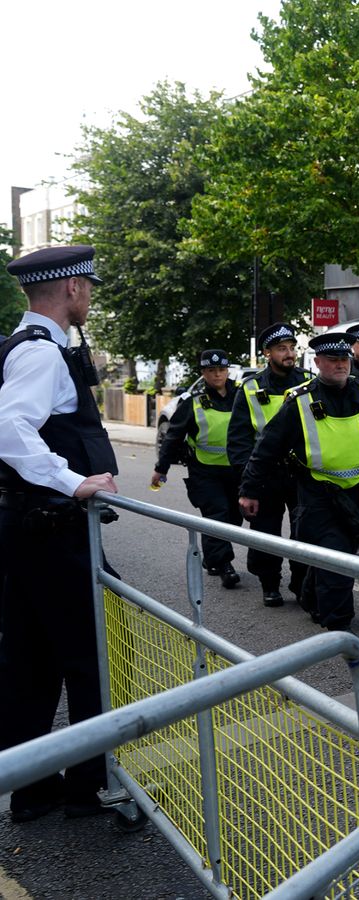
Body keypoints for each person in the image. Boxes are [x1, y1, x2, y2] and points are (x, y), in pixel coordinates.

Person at [0, 245, 120, 822]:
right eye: (88, 286)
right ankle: (90, 787)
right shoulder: (42, 354)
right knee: (95, 656)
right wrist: (72, 483)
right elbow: (10, 427)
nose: (90, 295)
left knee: (31, 662)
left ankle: (31, 787)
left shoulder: (25, 346)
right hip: (50, 532)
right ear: (71, 288)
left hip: (28, 530)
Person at [240, 333, 359, 632]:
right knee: (337, 559)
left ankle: (311, 594)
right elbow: (268, 447)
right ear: (317, 363)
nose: (340, 366)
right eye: (332, 361)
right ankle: (339, 629)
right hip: (318, 494)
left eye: (344, 359)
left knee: (335, 558)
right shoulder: (301, 401)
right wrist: (250, 490)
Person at [228, 323, 312, 608]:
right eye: (281, 349)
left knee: (304, 532)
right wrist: (247, 482)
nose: (289, 354)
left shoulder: (309, 382)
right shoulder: (250, 389)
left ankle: (301, 583)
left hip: (301, 472)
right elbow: (238, 441)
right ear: (267, 353)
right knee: (266, 533)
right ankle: (270, 584)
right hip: (266, 475)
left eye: (291, 348)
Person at [152, 349, 243, 588]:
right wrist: (161, 469)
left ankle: (212, 558)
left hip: (237, 470)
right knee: (217, 514)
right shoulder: (192, 401)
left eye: (221, 370)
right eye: (211, 371)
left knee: (234, 518)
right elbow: (173, 437)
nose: (217, 375)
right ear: (203, 373)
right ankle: (224, 564)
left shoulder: (242, 396)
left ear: (227, 371)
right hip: (205, 471)